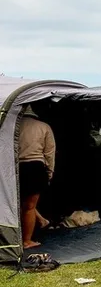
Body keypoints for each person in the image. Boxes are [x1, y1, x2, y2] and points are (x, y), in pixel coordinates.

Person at [18, 105, 55, 249]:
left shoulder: (13, 126)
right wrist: (50, 172)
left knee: (22, 203)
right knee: (29, 205)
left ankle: (41, 220)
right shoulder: (44, 127)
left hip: (16, 167)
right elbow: (49, 152)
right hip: (35, 167)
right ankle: (27, 241)